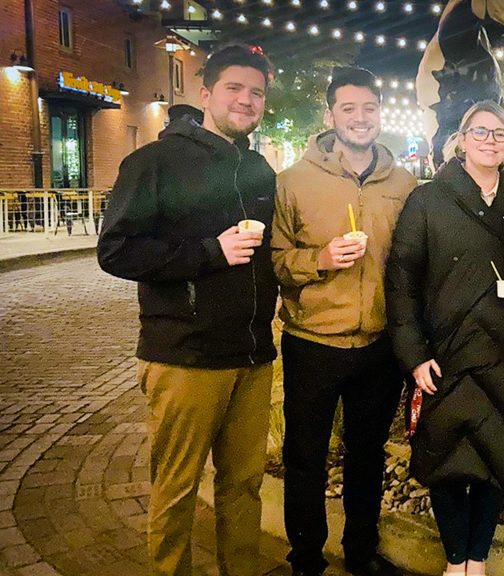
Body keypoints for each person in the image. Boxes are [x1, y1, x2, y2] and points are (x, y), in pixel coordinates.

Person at [97, 44, 277, 576]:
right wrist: (207, 252)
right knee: (176, 490)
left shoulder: (260, 168)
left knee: (243, 487)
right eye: (234, 89)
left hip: (251, 356)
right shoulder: (154, 161)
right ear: (205, 94)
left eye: (257, 93)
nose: (246, 101)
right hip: (184, 357)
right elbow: (116, 250)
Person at [385, 101, 504, 576]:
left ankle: (477, 560)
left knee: (494, 458)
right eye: (479, 132)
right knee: (444, 456)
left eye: (499, 134)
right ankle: (454, 560)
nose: (490, 141)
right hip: (445, 355)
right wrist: (414, 356)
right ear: (460, 139)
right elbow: (401, 281)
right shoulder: (428, 199)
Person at [271, 66, 417, 576]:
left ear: (381, 113)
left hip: (379, 344)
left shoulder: (403, 183)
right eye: (348, 108)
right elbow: (275, 261)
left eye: (370, 108)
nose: (360, 118)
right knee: (306, 458)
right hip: (312, 342)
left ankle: (361, 553)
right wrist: (320, 259)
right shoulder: (292, 182)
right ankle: (306, 559)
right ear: (330, 115)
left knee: (367, 455)